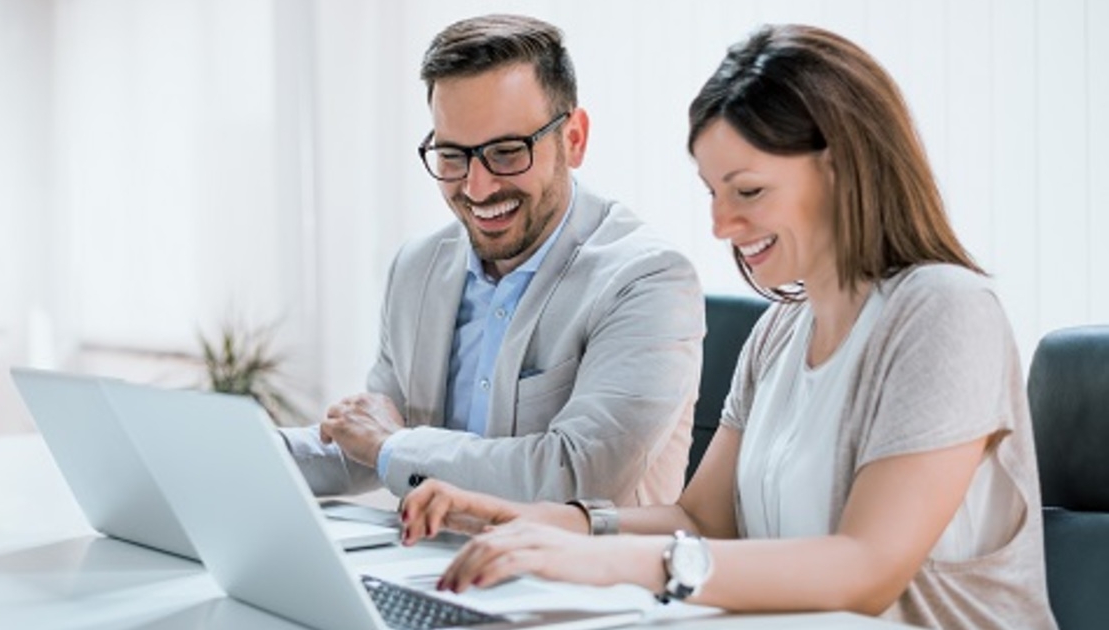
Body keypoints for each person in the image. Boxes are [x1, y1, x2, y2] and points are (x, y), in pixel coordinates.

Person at [398, 23, 1057, 629]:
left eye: (747, 192)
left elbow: (865, 570)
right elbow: (701, 518)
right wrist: (544, 521)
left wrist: (607, 562)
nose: (720, 226)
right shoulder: (780, 333)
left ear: (845, 169)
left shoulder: (943, 311)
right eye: (712, 193)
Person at [279, 14, 704, 506]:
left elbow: (578, 479)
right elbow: (367, 443)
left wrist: (392, 445)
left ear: (574, 139)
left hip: (577, 577)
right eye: (453, 156)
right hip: (431, 568)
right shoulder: (417, 267)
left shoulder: (647, 280)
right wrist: (245, 452)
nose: (477, 188)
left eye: (506, 152)